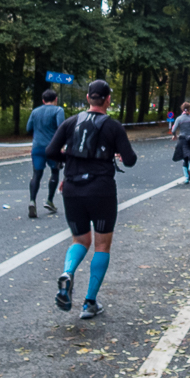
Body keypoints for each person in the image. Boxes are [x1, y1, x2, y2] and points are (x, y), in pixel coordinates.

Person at [46, 80, 138, 319]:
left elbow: (50, 152)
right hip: (101, 190)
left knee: (80, 239)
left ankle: (68, 272)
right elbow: (130, 160)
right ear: (108, 99)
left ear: (88, 98)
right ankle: (89, 303)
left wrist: (71, 157)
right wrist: (115, 152)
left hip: (73, 189)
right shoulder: (113, 127)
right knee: (102, 245)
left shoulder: (70, 123)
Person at [26, 89, 65, 218]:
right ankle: (49, 200)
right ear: (56, 99)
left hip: (37, 147)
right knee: (55, 172)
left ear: (43, 100)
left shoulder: (35, 111)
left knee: (36, 174)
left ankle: (32, 200)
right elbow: (61, 128)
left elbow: (28, 128)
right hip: (52, 148)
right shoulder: (58, 110)